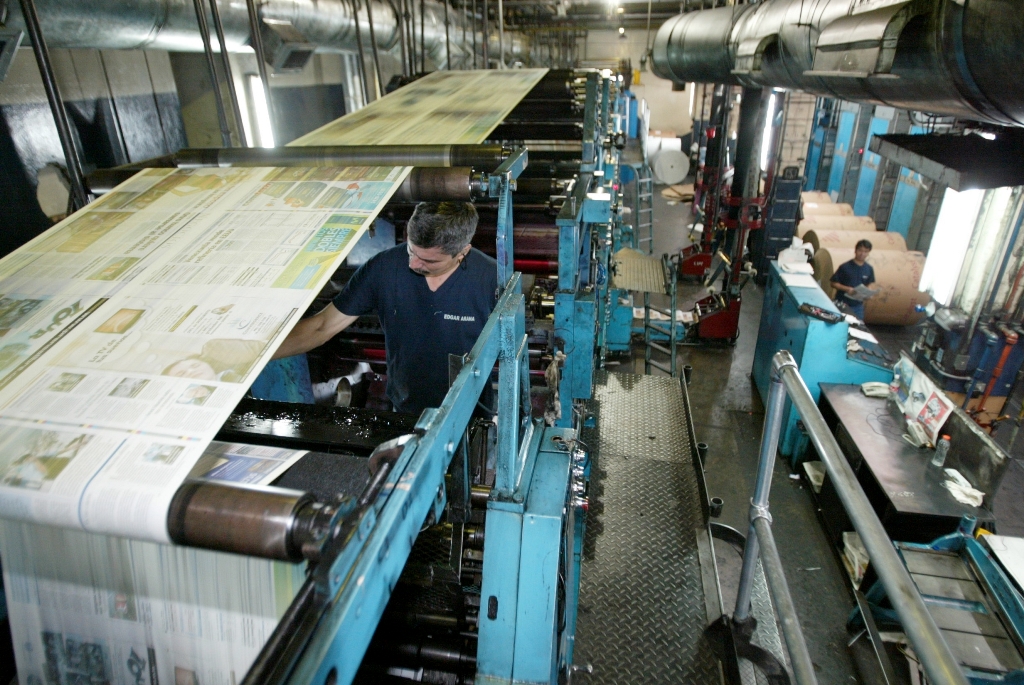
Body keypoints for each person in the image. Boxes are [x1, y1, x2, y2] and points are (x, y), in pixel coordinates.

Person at [273, 201, 497, 415]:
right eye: (411, 251)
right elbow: (321, 327)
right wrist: (252, 358)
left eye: (428, 261)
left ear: (462, 252)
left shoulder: (490, 279)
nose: (413, 264)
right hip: (405, 408)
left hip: (470, 413)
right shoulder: (383, 268)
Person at [829, 239, 875, 320]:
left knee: (858, 328)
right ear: (855, 250)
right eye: (860, 250)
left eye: (866, 251)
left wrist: (869, 293)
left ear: (868, 253)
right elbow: (833, 283)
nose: (862, 254)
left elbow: (869, 284)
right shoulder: (845, 267)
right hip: (842, 304)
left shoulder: (869, 269)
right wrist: (847, 289)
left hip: (858, 307)